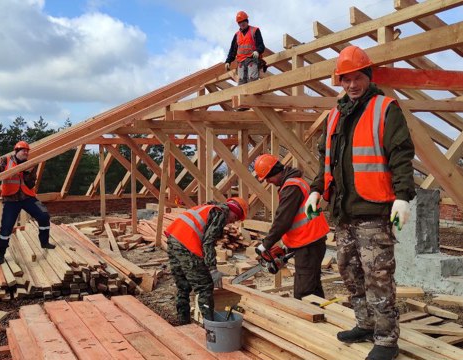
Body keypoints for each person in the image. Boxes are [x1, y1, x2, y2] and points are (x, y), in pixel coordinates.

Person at [305, 46, 415, 360]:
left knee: (377, 274)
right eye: (345, 79)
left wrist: (403, 196)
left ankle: (386, 341)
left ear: (368, 75)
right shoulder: (336, 113)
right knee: (349, 271)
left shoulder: (385, 108)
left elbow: (401, 154)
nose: (351, 85)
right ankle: (365, 324)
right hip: (343, 210)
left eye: (357, 78)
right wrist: (317, 190)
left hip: (374, 209)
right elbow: (326, 159)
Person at [254, 154, 330, 300]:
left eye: (268, 178)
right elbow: (297, 220)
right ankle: (319, 317)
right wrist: (287, 246)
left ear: (273, 172)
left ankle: (308, 319)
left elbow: (283, 220)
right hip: (309, 241)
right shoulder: (294, 183)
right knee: (312, 286)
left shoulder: (292, 187)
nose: (268, 181)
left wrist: (265, 245)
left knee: (304, 293)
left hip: (309, 243)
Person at [165, 197, 248, 325]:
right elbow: (208, 243)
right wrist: (212, 269)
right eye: (235, 217)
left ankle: (183, 321)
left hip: (173, 240)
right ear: (232, 210)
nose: (232, 222)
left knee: (183, 285)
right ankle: (211, 327)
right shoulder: (220, 213)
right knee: (205, 287)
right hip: (186, 245)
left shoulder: (208, 208)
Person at [0, 141, 55, 264]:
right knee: (6, 227)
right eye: (24, 151)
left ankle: (44, 242)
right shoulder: (6, 160)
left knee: (44, 215)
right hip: (11, 200)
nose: (26, 153)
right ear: (17, 151)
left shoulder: (30, 164)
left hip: (28, 197)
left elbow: (30, 184)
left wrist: (27, 173)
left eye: (27, 151)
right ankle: (1, 253)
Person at [224, 11, 265, 85]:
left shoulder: (255, 30)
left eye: (243, 21)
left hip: (252, 60)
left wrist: (257, 51)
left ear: (247, 21)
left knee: (252, 81)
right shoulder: (237, 35)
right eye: (239, 22)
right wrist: (228, 61)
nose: (242, 23)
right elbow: (233, 50)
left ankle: (252, 95)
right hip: (241, 62)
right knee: (241, 83)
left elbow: (261, 45)